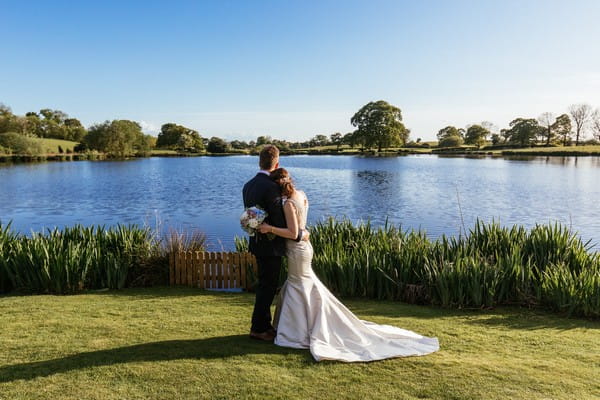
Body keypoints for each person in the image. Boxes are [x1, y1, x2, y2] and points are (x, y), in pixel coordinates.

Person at [259, 168, 440, 362]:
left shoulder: (287, 203)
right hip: (306, 247)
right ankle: (307, 325)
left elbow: (294, 233)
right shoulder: (301, 195)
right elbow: (302, 229)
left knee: (299, 285)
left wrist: (269, 228)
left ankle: (299, 332)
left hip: (296, 250)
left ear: (277, 186)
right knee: (304, 284)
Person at [242, 145, 308, 341]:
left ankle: (263, 325)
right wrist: (298, 234)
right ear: (276, 163)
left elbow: (251, 215)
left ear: (259, 161)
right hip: (271, 246)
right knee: (267, 287)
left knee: (265, 285)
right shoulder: (272, 187)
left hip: (256, 242)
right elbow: (280, 219)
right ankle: (260, 328)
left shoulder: (248, 185)